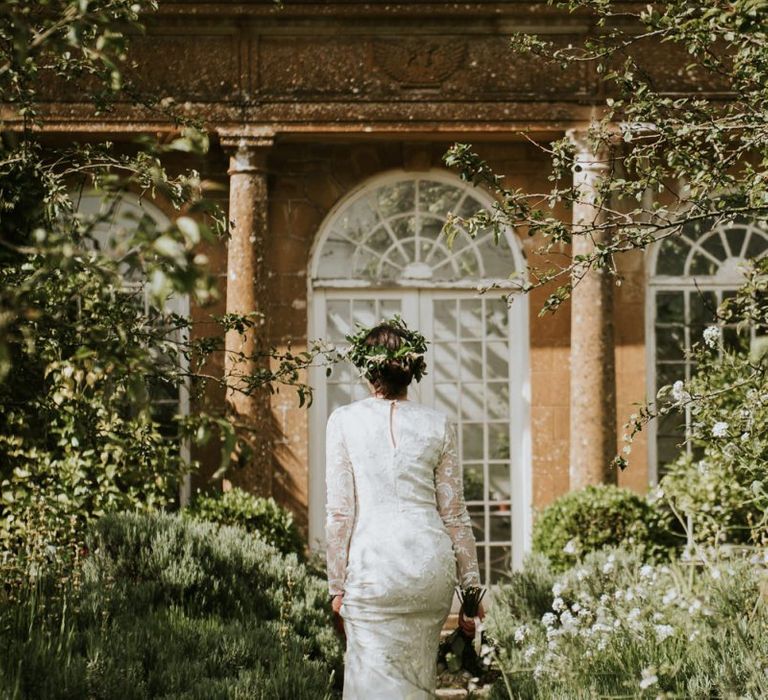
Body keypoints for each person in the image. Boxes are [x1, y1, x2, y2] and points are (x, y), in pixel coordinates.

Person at [325, 315, 486, 699]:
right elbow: (455, 515)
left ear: (367, 369)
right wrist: (472, 593)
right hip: (428, 572)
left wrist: (336, 586)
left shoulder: (344, 421)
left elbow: (339, 514)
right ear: (412, 371)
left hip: (373, 571)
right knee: (416, 685)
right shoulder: (437, 423)